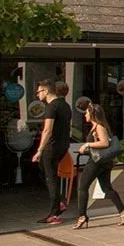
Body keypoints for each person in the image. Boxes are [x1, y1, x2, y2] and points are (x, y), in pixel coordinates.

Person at [75, 104, 124, 229]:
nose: (85, 115)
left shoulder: (99, 127)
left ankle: (82, 216)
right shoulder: (96, 126)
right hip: (104, 162)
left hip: (96, 162)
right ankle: (123, 211)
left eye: (87, 113)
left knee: (82, 187)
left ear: (93, 114)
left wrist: (87, 145)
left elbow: (104, 143)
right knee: (106, 188)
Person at [31, 79, 72, 224]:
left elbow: (47, 130)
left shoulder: (51, 107)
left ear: (46, 91)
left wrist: (39, 150)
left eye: (39, 92)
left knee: (50, 177)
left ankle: (55, 211)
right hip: (63, 145)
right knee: (49, 174)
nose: (37, 95)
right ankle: (59, 202)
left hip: (51, 147)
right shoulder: (66, 106)